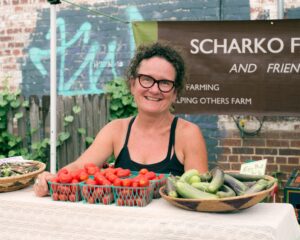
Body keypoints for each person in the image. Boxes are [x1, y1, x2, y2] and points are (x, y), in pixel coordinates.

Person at [34, 41, 208, 197]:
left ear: (175, 92)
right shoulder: (116, 130)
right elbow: (80, 167)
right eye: (146, 79)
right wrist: (52, 178)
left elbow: (199, 194)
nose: (155, 90)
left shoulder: (187, 134)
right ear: (133, 85)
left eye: (165, 83)